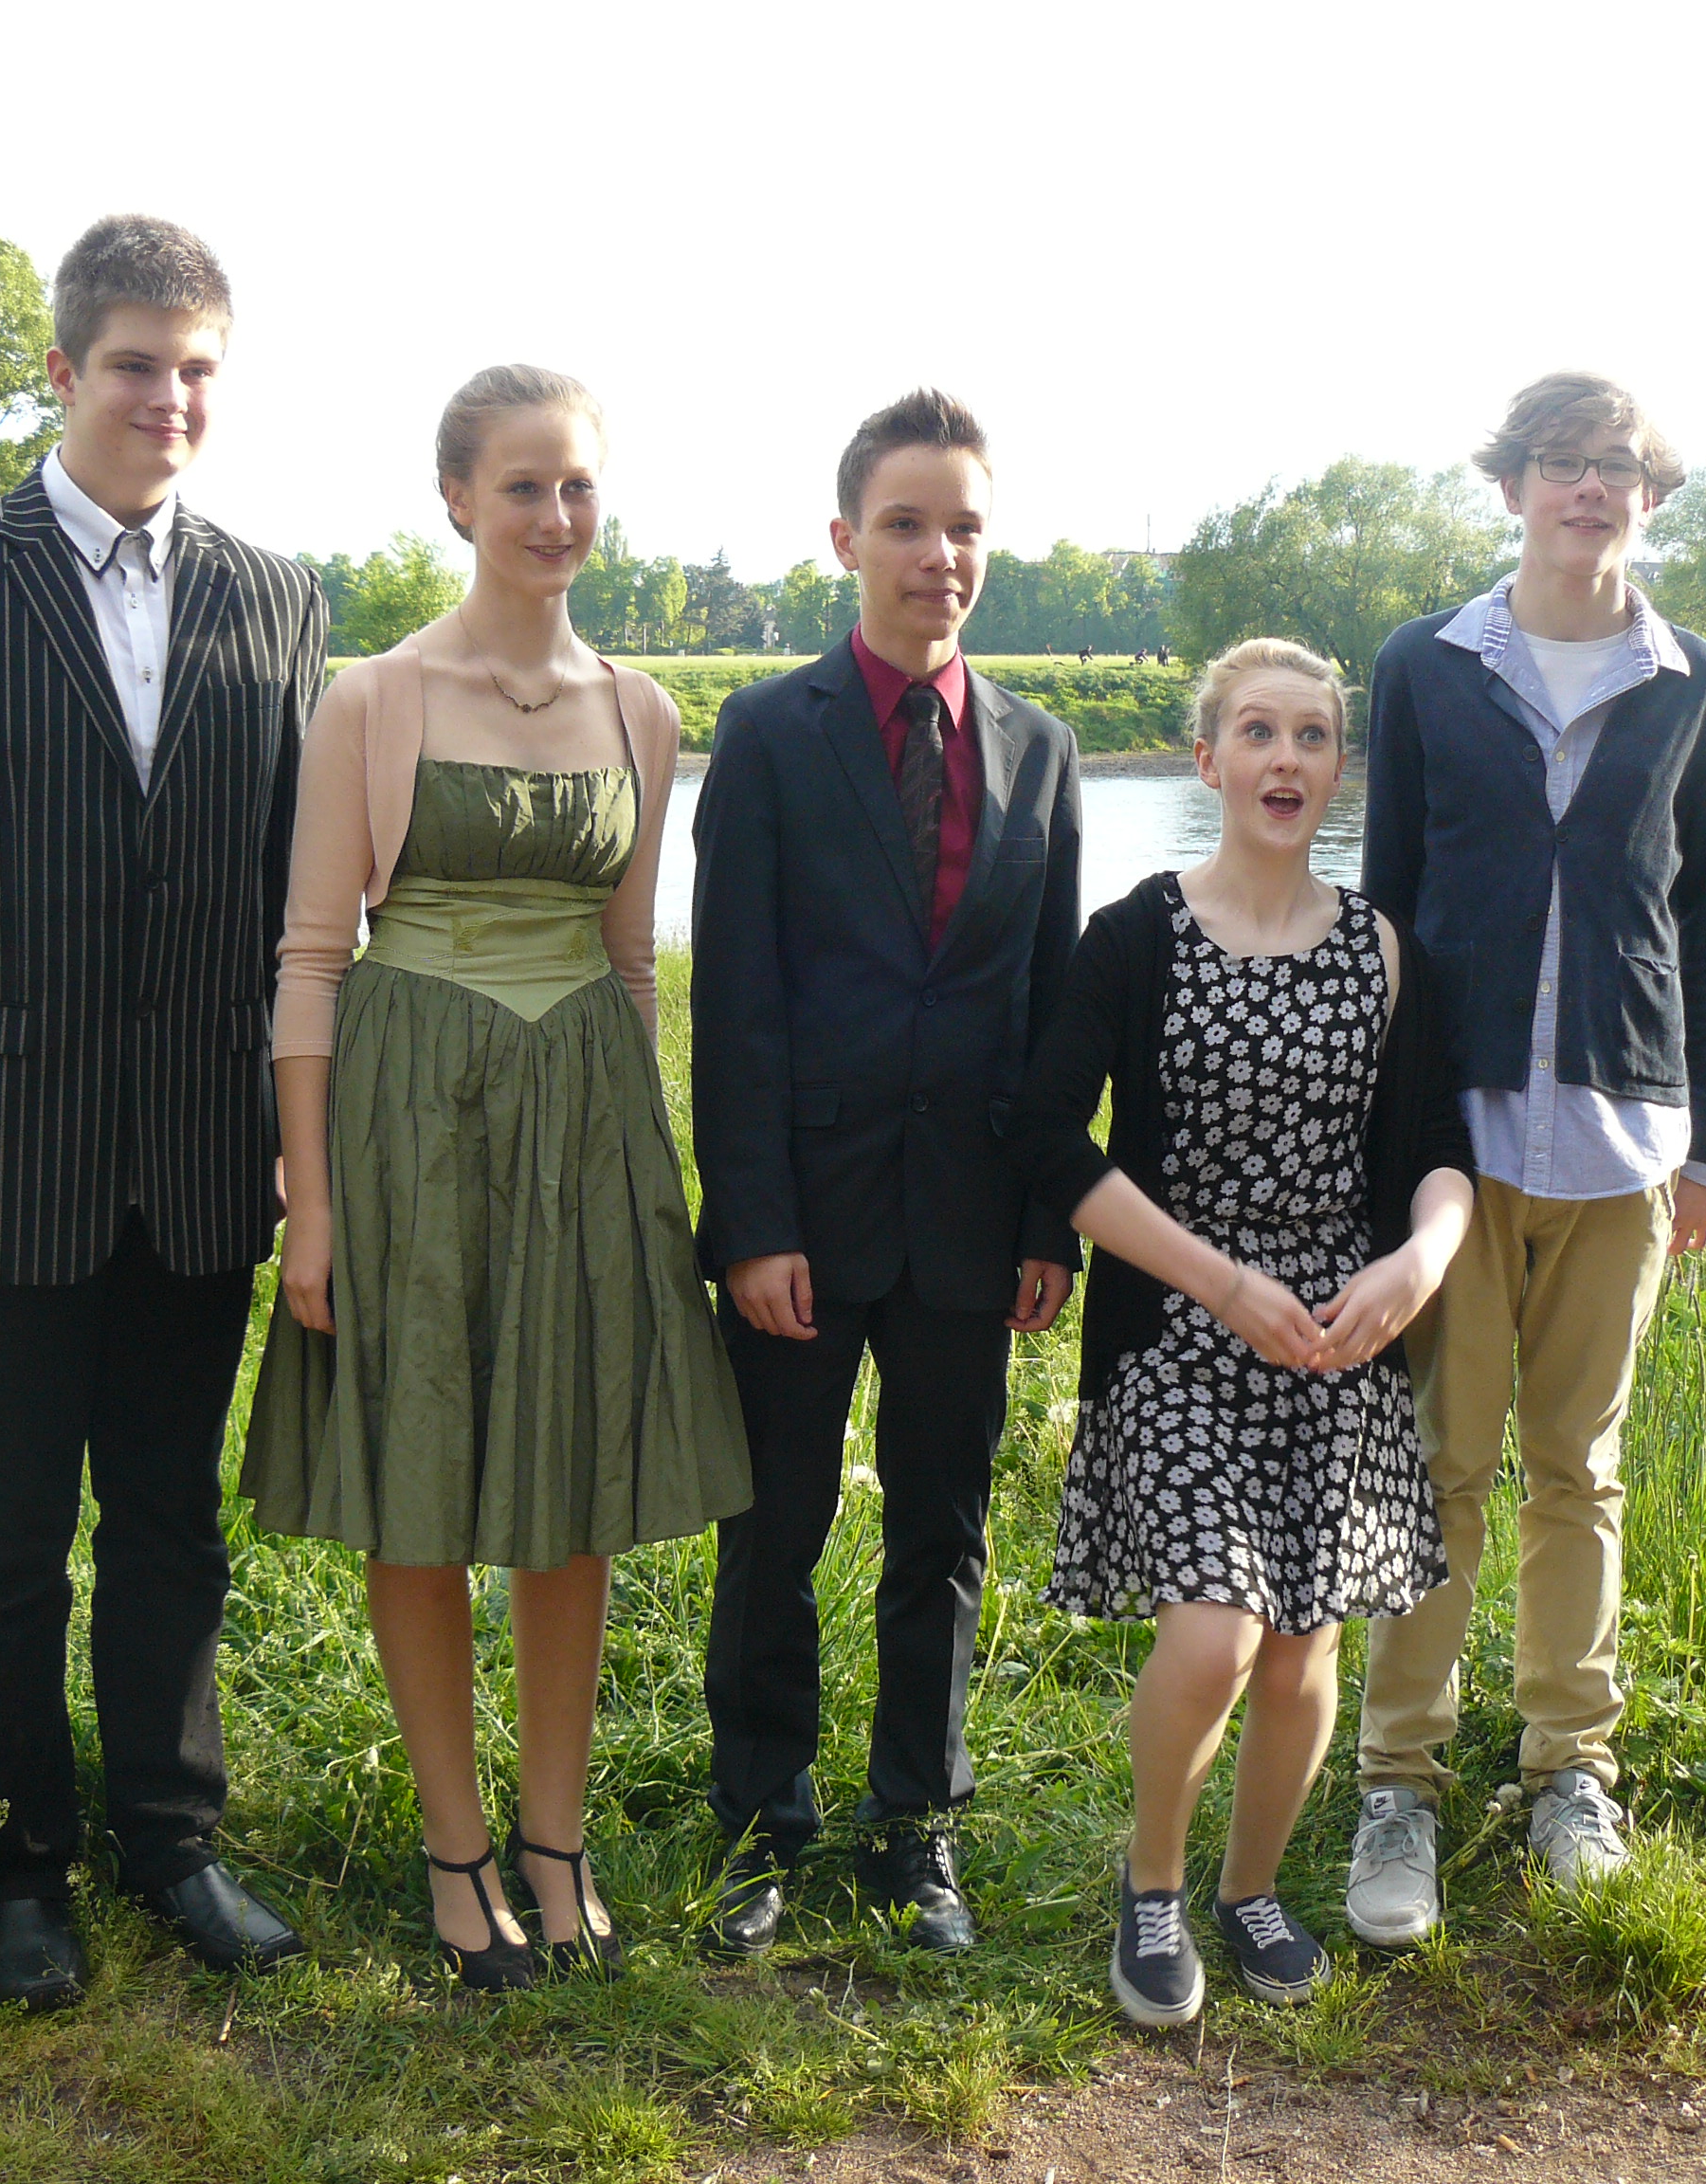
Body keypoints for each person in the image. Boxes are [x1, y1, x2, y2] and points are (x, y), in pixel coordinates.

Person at [0, 215, 323, 2011]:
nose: (167, 397)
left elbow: (293, 903)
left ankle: (172, 1842)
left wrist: (305, 1139)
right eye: (134, 363)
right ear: (60, 370)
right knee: (9, 1532)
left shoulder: (278, 597)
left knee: (174, 1520)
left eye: (196, 369)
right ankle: (16, 1860)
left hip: (199, 1152)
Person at [243, 365, 750, 1991]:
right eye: (522, 485)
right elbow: (311, 960)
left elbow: (632, 965)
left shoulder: (642, 711)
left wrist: (641, 1167)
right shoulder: (374, 697)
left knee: (566, 1490)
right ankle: (455, 1849)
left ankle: (556, 1837)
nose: (554, 515)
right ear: (456, 499)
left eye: (577, 485)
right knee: (420, 1478)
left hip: (582, 1119)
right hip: (407, 1114)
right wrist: (313, 1199)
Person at [1009, 639, 1472, 2025]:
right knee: (1215, 1633)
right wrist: (1218, 1286)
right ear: (1207, 759)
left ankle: (1250, 1891)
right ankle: (1153, 1888)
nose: (1287, 758)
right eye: (1258, 733)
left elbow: (1438, 1155)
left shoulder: (1385, 948)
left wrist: (1419, 1264)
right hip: (1178, 1328)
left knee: (1302, 1646)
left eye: (1313, 736)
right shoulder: (1135, 936)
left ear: (1339, 769)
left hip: (1335, 1338)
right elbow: (1046, 1139)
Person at [1349, 372, 1706, 1944]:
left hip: (1626, 1133)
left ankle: (1570, 1768)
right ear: (1511, 485)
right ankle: (1398, 1780)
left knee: (1580, 1467)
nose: (1590, 488)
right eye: (1563, 463)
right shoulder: (1425, 667)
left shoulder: (1690, 682)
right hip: (1457, 1138)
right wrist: (1380, 1131)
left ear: (1648, 493)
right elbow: (1384, 902)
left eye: (1617, 466)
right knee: (1440, 1463)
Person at [692, 389, 1083, 1958]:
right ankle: (760, 1821)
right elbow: (735, 999)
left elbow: (1051, 1009)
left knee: (942, 1535)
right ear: (846, 539)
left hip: (970, 1226)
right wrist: (752, 1223)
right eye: (908, 524)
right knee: (772, 1531)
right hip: (804, 1218)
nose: (939, 555)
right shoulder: (768, 734)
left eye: (964, 526)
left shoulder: (1041, 752)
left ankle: (916, 1827)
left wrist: (1048, 1220)